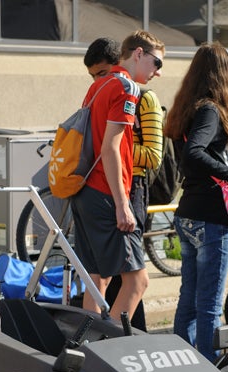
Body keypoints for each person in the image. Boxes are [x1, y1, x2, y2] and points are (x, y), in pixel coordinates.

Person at [163, 43, 228, 362]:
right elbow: (195, 152)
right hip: (210, 218)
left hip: (188, 212)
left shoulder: (189, 107)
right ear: (221, 75)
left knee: (189, 300)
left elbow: (194, 157)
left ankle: (181, 364)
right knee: (209, 305)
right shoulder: (211, 109)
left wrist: (227, 171)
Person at [71, 30, 164, 321]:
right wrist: (123, 203)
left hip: (84, 189)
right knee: (138, 281)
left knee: (97, 279)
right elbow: (110, 148)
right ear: (138, 54)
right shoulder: (127, 88)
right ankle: (107, 350)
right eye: (156, 63)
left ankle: (86, 349)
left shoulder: (98, 86)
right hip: (107, 192)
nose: (157, 72)